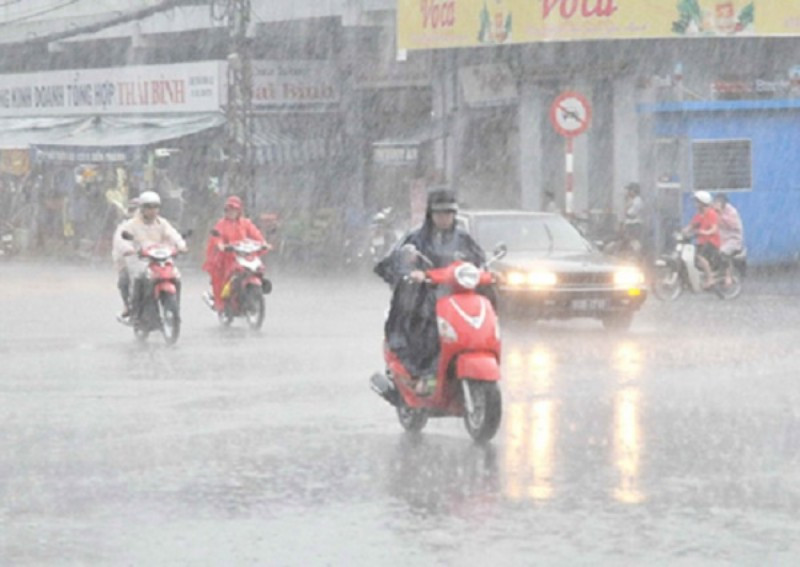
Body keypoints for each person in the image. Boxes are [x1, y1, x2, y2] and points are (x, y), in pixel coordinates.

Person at [374, 188, 489, 395]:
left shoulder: (463, 239)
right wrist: (412, 273)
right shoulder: (416, 238)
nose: (444, 218)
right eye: (439, 213)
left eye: (449, 213)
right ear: (430, 214)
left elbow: (480, 262)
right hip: (424, 297)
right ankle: (421, 373)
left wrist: (489, 273)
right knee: (425, 326)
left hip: (457, 298)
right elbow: (395, 262)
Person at [117, 191, 187, 321]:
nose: (152, 210)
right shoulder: (132, 224)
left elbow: (174, 235)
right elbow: (122, 239)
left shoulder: (162, 223)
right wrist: (128, 249)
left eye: (155, 207)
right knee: (138, 279)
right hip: (140, 260)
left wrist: (181, 245)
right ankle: (134, 311)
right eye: (149, 207)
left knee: (176, 277)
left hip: (161, 259)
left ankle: (175, 308)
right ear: (142, 208)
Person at [202, 195, 269, 312]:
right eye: (229, 209)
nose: (232, 212)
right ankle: (220, 303)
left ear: (239, 211)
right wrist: (221, 245)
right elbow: (217, 237)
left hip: (243, 256)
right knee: (220, 278)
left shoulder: (245, 223)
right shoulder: (221, 224)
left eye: (235, 209)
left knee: (257, 269)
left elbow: (256, 234)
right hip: (227, 258)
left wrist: (263, 243)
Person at [111, 197, 140, 322]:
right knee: (124, 280)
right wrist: (128, 250)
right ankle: (128, 306)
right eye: (133, 209)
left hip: (152, 259)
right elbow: (120, 242)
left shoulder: (156, 224)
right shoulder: (124, 227)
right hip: (129, 261)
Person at [683, 190, 720, 288]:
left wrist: (704, 232)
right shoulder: (699, 215)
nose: (695, 204)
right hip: (702, 242)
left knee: (700, 256)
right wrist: (682, 232)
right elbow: (691, 226)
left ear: (702, 203)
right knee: (694, 258)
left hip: (712, 242)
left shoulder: (711, 214)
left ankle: (710, 278)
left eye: (697, 202)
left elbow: (714, 229)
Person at [713, 193, 744, 285]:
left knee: (723, 252)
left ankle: (728, 276)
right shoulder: (714, 210)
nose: (716, 204)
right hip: (721, 238)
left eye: (718, 202)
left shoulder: (732, 212)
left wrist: (720, 213)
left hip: (733, 239)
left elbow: (732, 225)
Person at [622, 182, 644, 253]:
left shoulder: (637, 200)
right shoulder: (631, 200)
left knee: (633, 241)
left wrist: (626, 211)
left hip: (634, 225)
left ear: (634, 191)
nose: (628, 192)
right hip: (630, 224)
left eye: (629, 190)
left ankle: (636, 254)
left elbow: (631, 213)